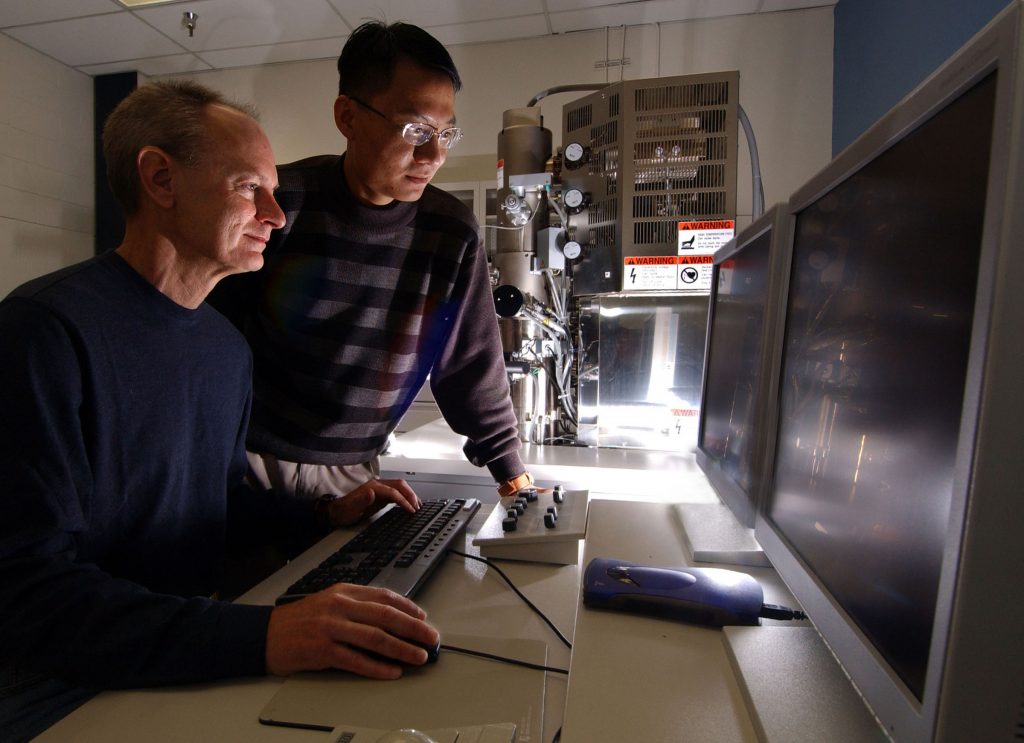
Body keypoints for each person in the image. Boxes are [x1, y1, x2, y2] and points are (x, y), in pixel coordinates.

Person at [0, 80, 438, 743]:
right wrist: (268, 633)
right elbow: (30, 596)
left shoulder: (224, 350)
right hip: (57, 690)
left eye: (273, 190)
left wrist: (322, 515)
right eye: (247, 187)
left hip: (179, 651)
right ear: (160, 178)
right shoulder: (43, 333)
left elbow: (212, 508)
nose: (276, 214)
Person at [210, 21, 536, 506]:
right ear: (348, 116)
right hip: (250, 462)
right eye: (417, 130)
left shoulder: (450, 232)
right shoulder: (282, 208)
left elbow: (470, 366)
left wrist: (514, 479)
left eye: (446, 133)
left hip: (355, 473)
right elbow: (211, 341)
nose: (434, 154)